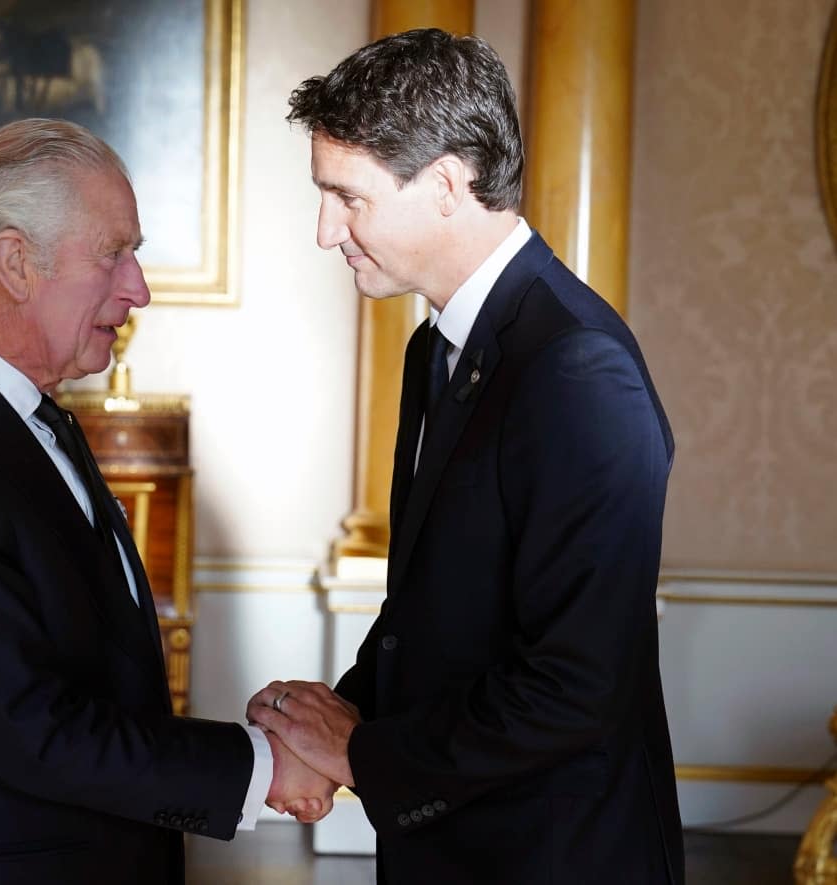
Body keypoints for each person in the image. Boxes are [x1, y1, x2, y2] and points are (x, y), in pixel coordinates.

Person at [0, 118, 333, 884]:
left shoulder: (29, 415)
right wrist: (260, 766)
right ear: (15, 262)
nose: (139, 288)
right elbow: (31, 729)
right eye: (114, 253)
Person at [247, 28, 685, 884]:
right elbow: (436, 610)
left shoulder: (577, 366)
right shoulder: (437, 348)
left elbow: (575, 684)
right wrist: (332, 714)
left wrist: (362, 753)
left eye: (348, 197)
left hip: (554, 857)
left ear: (447, 184)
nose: (325, 229)